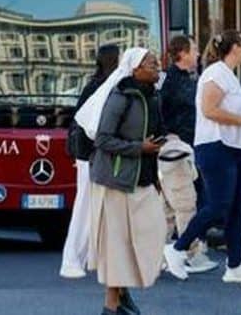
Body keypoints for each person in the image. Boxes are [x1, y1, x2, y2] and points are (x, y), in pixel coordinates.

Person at [163, 30, 241, 283]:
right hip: (216, 146)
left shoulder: (229, 76)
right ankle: (177, 248)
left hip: (236, 147)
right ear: (235, 48)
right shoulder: (216, 73)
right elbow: (208, 109)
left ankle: (235, 264)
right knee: (218, 206)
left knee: (238, 206)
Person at [78, 48, 167, 315]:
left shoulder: (154, 97)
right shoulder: (121, 97)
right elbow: (103, 140)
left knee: (144, 236)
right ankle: (112, 305)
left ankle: (122, 295)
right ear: (135, 68)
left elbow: (156, 134)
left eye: (158, 62)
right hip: (115, 180)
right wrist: (139, 148)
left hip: (143, 178)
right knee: (116, 245)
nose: (158, 66)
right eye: (152, 63)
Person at [158, 35, 217, 274]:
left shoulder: (180, 80)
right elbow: (162, 112)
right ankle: (191, 253)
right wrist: (168, 135)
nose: (198, 54)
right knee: (185, 204)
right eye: (193, 49)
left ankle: (158, 255)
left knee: (169, 208)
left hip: (184, 150)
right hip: (178, 152)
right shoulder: (173, 83)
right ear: (182, 53)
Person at [61, 44, 120, 279]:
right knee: (85, 207)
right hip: (90, 155)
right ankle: (72, 258)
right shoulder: (98, 87)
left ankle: (88, 257)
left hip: (94, 154)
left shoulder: (99, 85)